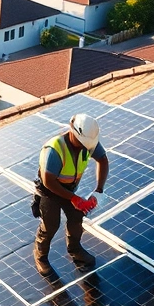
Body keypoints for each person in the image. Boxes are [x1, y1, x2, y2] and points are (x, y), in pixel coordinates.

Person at [33, 114, 109, 277]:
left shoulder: (89, 144)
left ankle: (75, 249)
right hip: (50, 191)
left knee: (76, 217)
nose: (85, 148)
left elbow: (103, 160)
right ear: (73, 132)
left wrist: (99, 190)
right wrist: (74, 198)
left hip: (70, 188)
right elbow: (48, 181)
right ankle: (41, 257)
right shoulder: (54, 149)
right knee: (51, 225)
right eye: (82, 144)